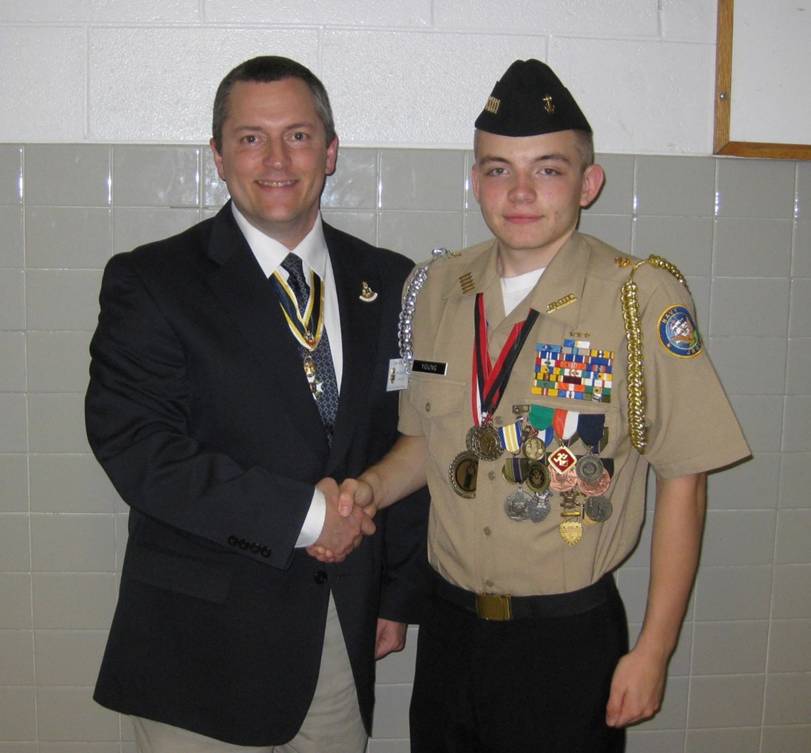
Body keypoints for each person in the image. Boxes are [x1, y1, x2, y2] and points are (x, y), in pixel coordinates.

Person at [334, 59, 751, 752]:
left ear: (588, 182)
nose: (519, 191)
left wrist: (653, 650)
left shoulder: (636, 298)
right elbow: (426, 444)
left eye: (547, 169)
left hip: (565, 639)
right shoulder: (437, 288)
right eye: (497, 169)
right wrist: (370, 487)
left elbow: (685, 479)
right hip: (449, 626)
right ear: (475, 180)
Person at [85, 55, 428, 753]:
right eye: (249, 138)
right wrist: (308, 516)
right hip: (197, 650)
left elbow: (407, 433)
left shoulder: (390, 280)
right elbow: (139, 450)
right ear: (217, 155)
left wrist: (393, 593)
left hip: (336, 628)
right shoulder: (151, 281)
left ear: (329, 152)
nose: (275, 158)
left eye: (298, 135)